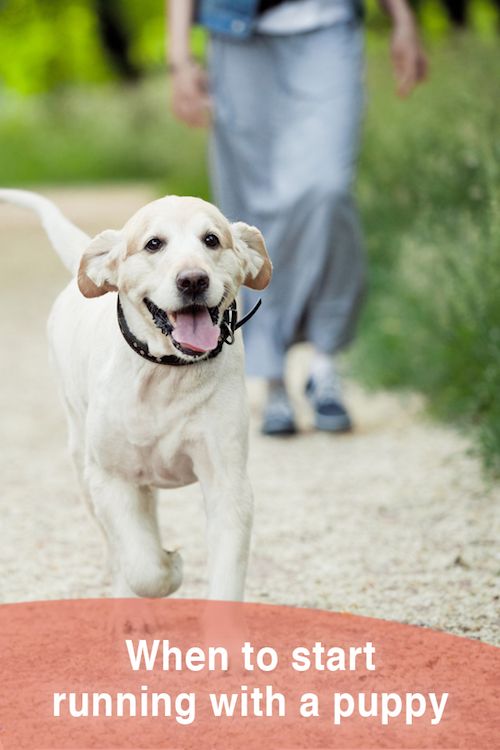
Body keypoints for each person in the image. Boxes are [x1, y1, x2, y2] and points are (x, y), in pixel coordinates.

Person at [167, 0, 427, 435]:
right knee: (253, 208)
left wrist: (402, 17)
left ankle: (325, 361)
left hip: (328, 25)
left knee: (326, 189)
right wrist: (179, 59)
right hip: (237, 33)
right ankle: (271, 377)